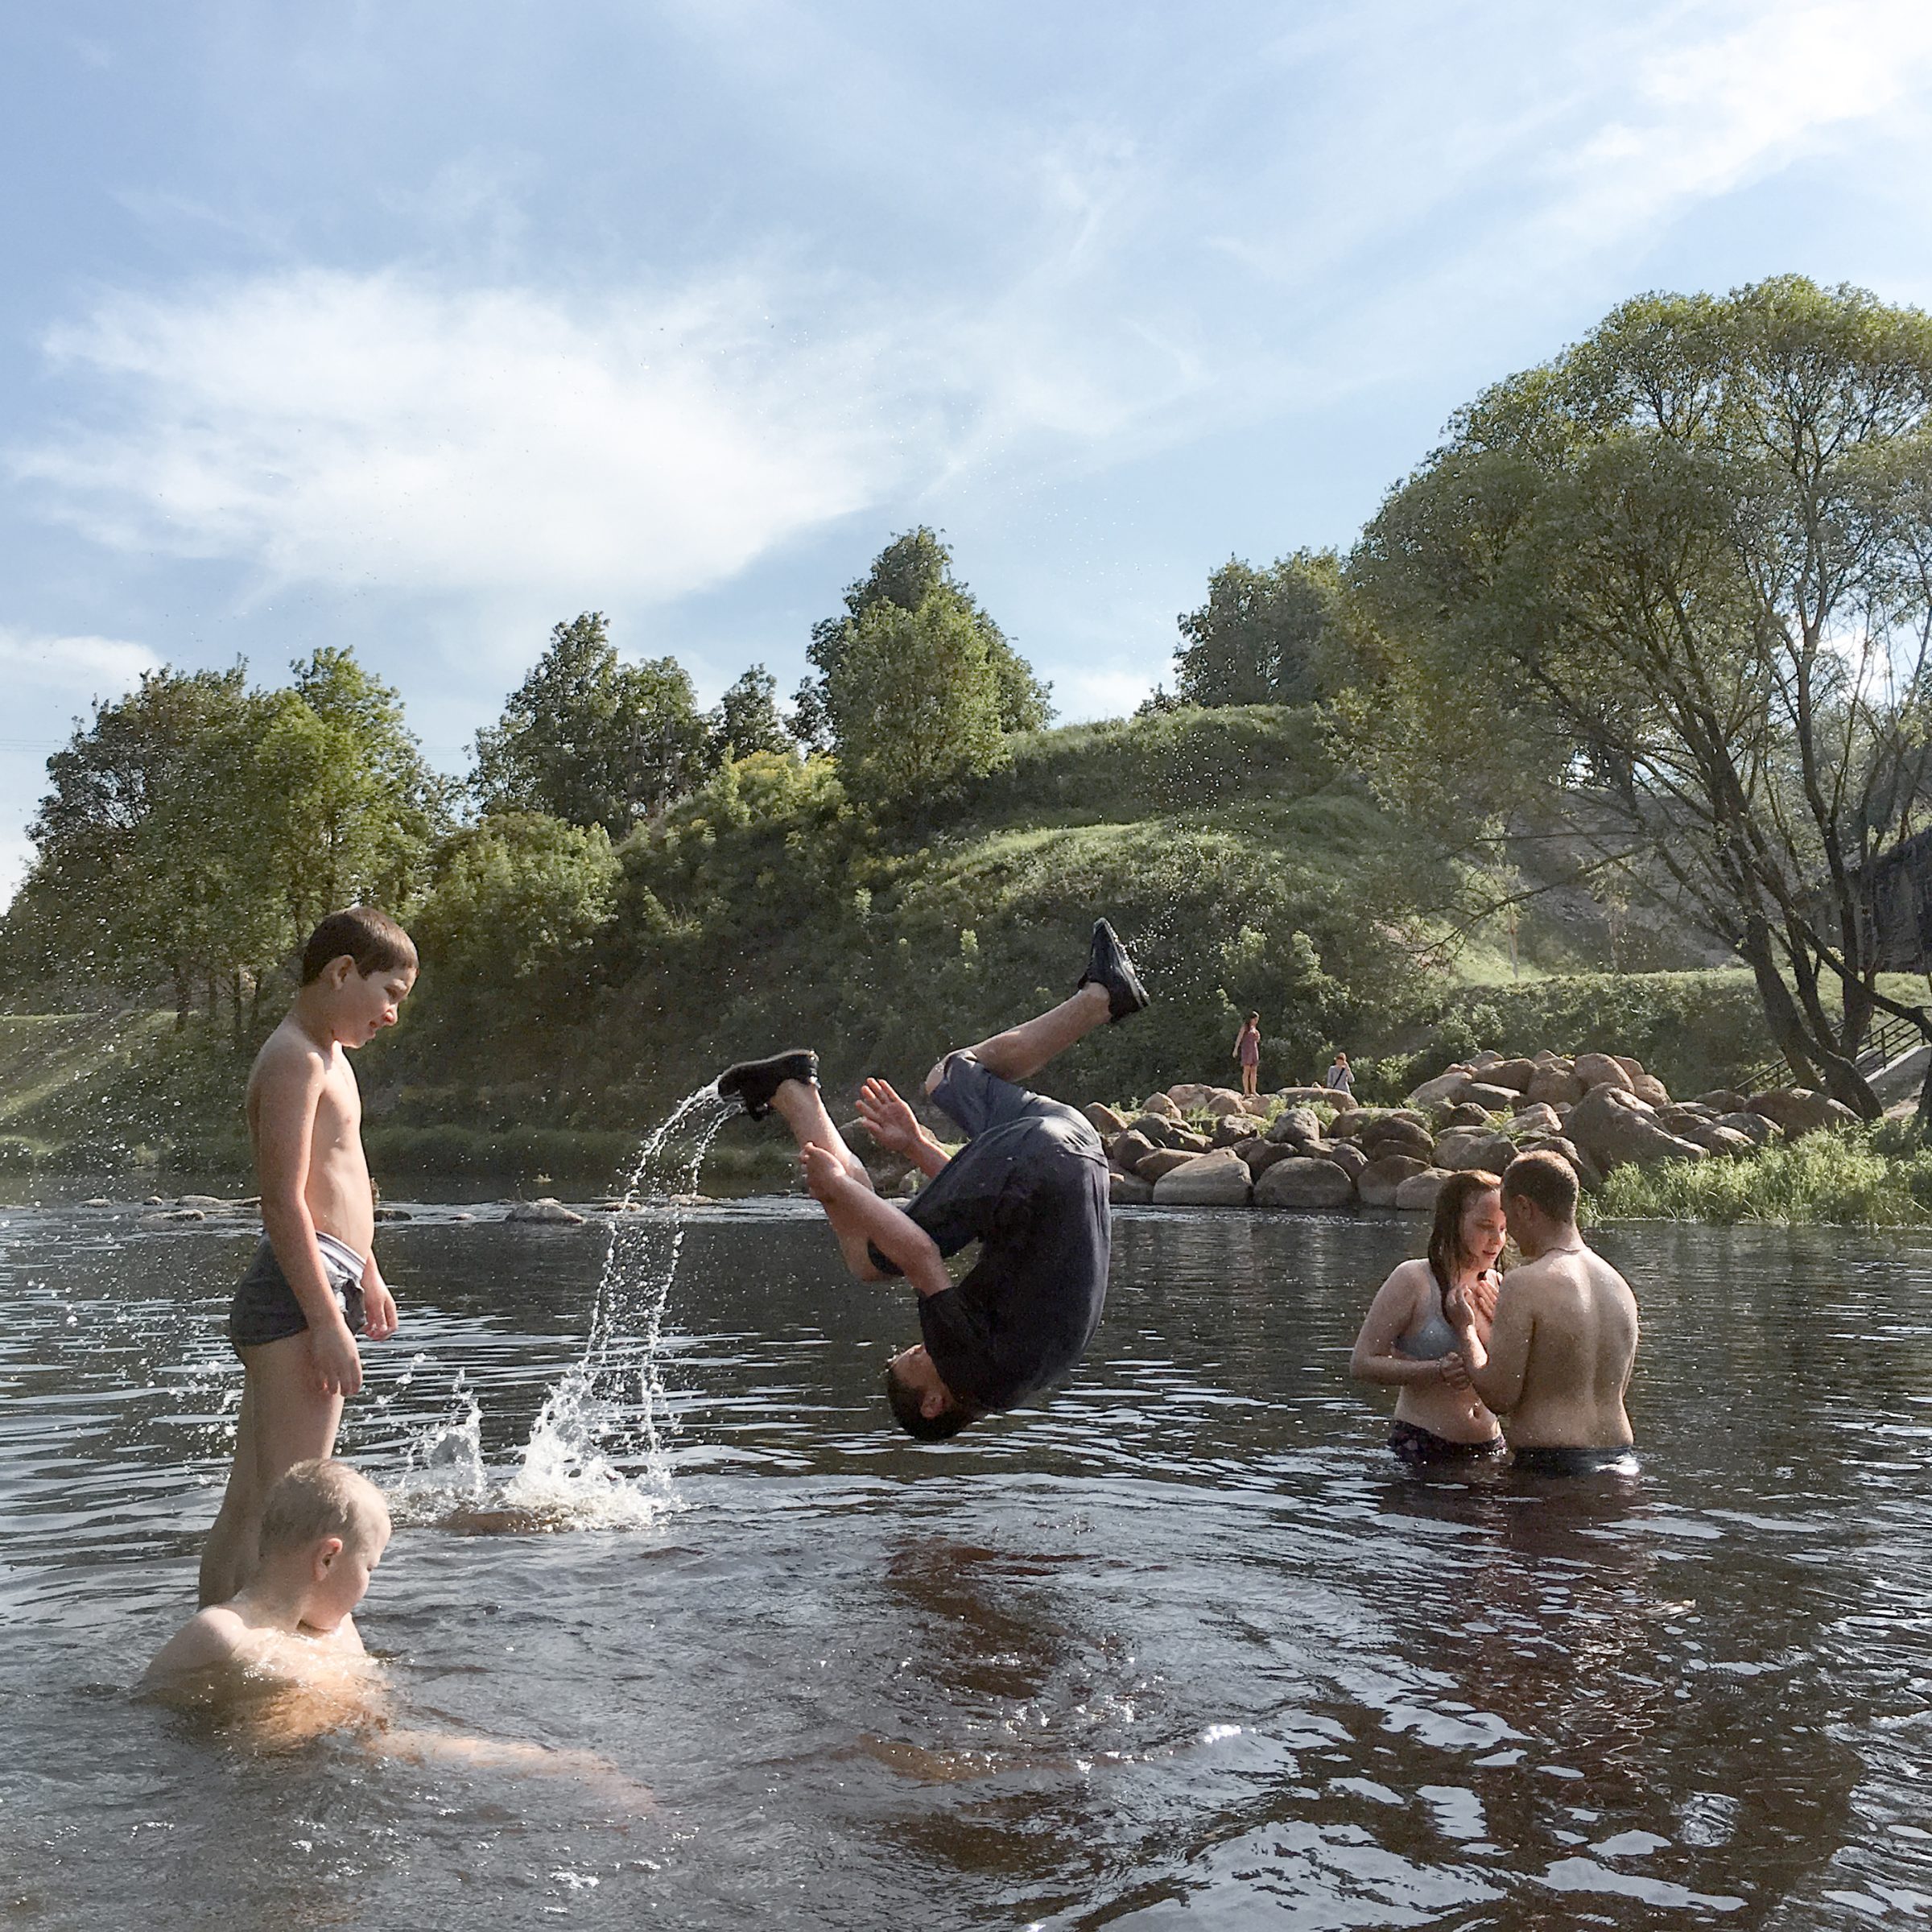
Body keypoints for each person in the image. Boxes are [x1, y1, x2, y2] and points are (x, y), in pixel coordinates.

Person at [716, 918, 1149, 1439]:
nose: (922, 1346)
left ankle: (1102, 996)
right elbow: (918, 1253)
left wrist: (920, 1147)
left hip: (1074, 1143)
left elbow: (997, 1210)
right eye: (915, 1356)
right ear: (934, 1403)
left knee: (948, 1075)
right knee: (872, 1260)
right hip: (1035, 1165)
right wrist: (838, 1185)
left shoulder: (1020, 1370)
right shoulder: (969, 1372)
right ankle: (792, 1091)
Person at [151, 1460, 651, 1802]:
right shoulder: (223, 1632)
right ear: (328, 1558)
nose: (369, 1584)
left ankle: (565, 1768)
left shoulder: (338, 1629)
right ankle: (562, 1767)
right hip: (280, 1784)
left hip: (345, 1767)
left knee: (549, 1767)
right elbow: (147, 1714)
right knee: (553, 1767)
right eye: (370, 1567)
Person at [197, 907, 417, 1608]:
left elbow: (342, 1177)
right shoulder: (295, 1057)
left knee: (256, 1504)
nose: (391, 1015)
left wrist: (370, 1269)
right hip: (301, 1292)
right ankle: (256, 1661)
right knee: (293, 1511)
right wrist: (327, 1320)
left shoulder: (330, 1056)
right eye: (389, 994)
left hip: (323, 1279)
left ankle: (217, 1638)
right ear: (342, 972)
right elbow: (283, 1203)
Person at [1443, 1149, 1639, 1475]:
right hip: (1622, 1464)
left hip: (1553, 1468)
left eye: (1509, 1217)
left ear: (1524, 1207)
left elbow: (1499, 1395)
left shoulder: (1525, 1283)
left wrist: (1465, 1328)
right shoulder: (1618, 1284)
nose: (1510, 1237)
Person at [1350, 1169, 1506, 1463]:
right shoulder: (1414, 1279)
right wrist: (1436, 1370)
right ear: (1453, 1222)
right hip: (1423, 1445)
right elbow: (1362, 1362)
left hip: (1491, 1447)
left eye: (1503, 1228)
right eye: (1485, 1226)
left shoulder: (1498, 1287)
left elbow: (1510, 1381)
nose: (1496, 1240)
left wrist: (1504, 1333)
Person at [1233, 1013, 1262, 1098]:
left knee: (1254, 1070)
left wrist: (1258, 1036)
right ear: (1251, 1019)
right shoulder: (1245, 1027)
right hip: (1246, 1050)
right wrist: (1236, 1049)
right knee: (1247, 1070)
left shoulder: (1254, 1028)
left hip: (1254, 1049)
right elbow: (1239, 1038)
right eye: (1255, 1020)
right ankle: (1246, 1091)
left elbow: (1257, 1040)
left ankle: (1253, 1090)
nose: (1256, 1022)